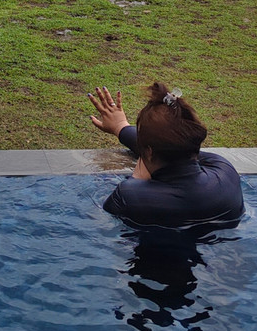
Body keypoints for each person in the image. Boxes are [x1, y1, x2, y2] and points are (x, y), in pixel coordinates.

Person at [89, 82, 243, 229]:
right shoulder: (225, 172)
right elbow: (174, 146)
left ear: (148, 152)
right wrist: (120, 127)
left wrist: (136, 180)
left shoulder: (130, 196)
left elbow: (101, 219)